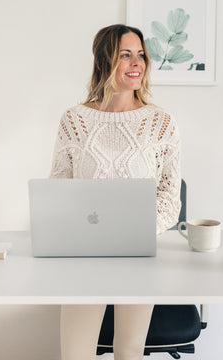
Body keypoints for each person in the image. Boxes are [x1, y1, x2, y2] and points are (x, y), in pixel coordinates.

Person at [49, 24, 181, 360]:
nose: (137, 62)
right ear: (105, 60)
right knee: (75, 354)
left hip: (138, 252)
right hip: (84, 255)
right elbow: (58, 190)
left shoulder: (160, 122)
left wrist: (134, 232)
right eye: (126, 55)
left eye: (140, 54)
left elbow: (168, 198)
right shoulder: (74, 120)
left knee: (129, 352)